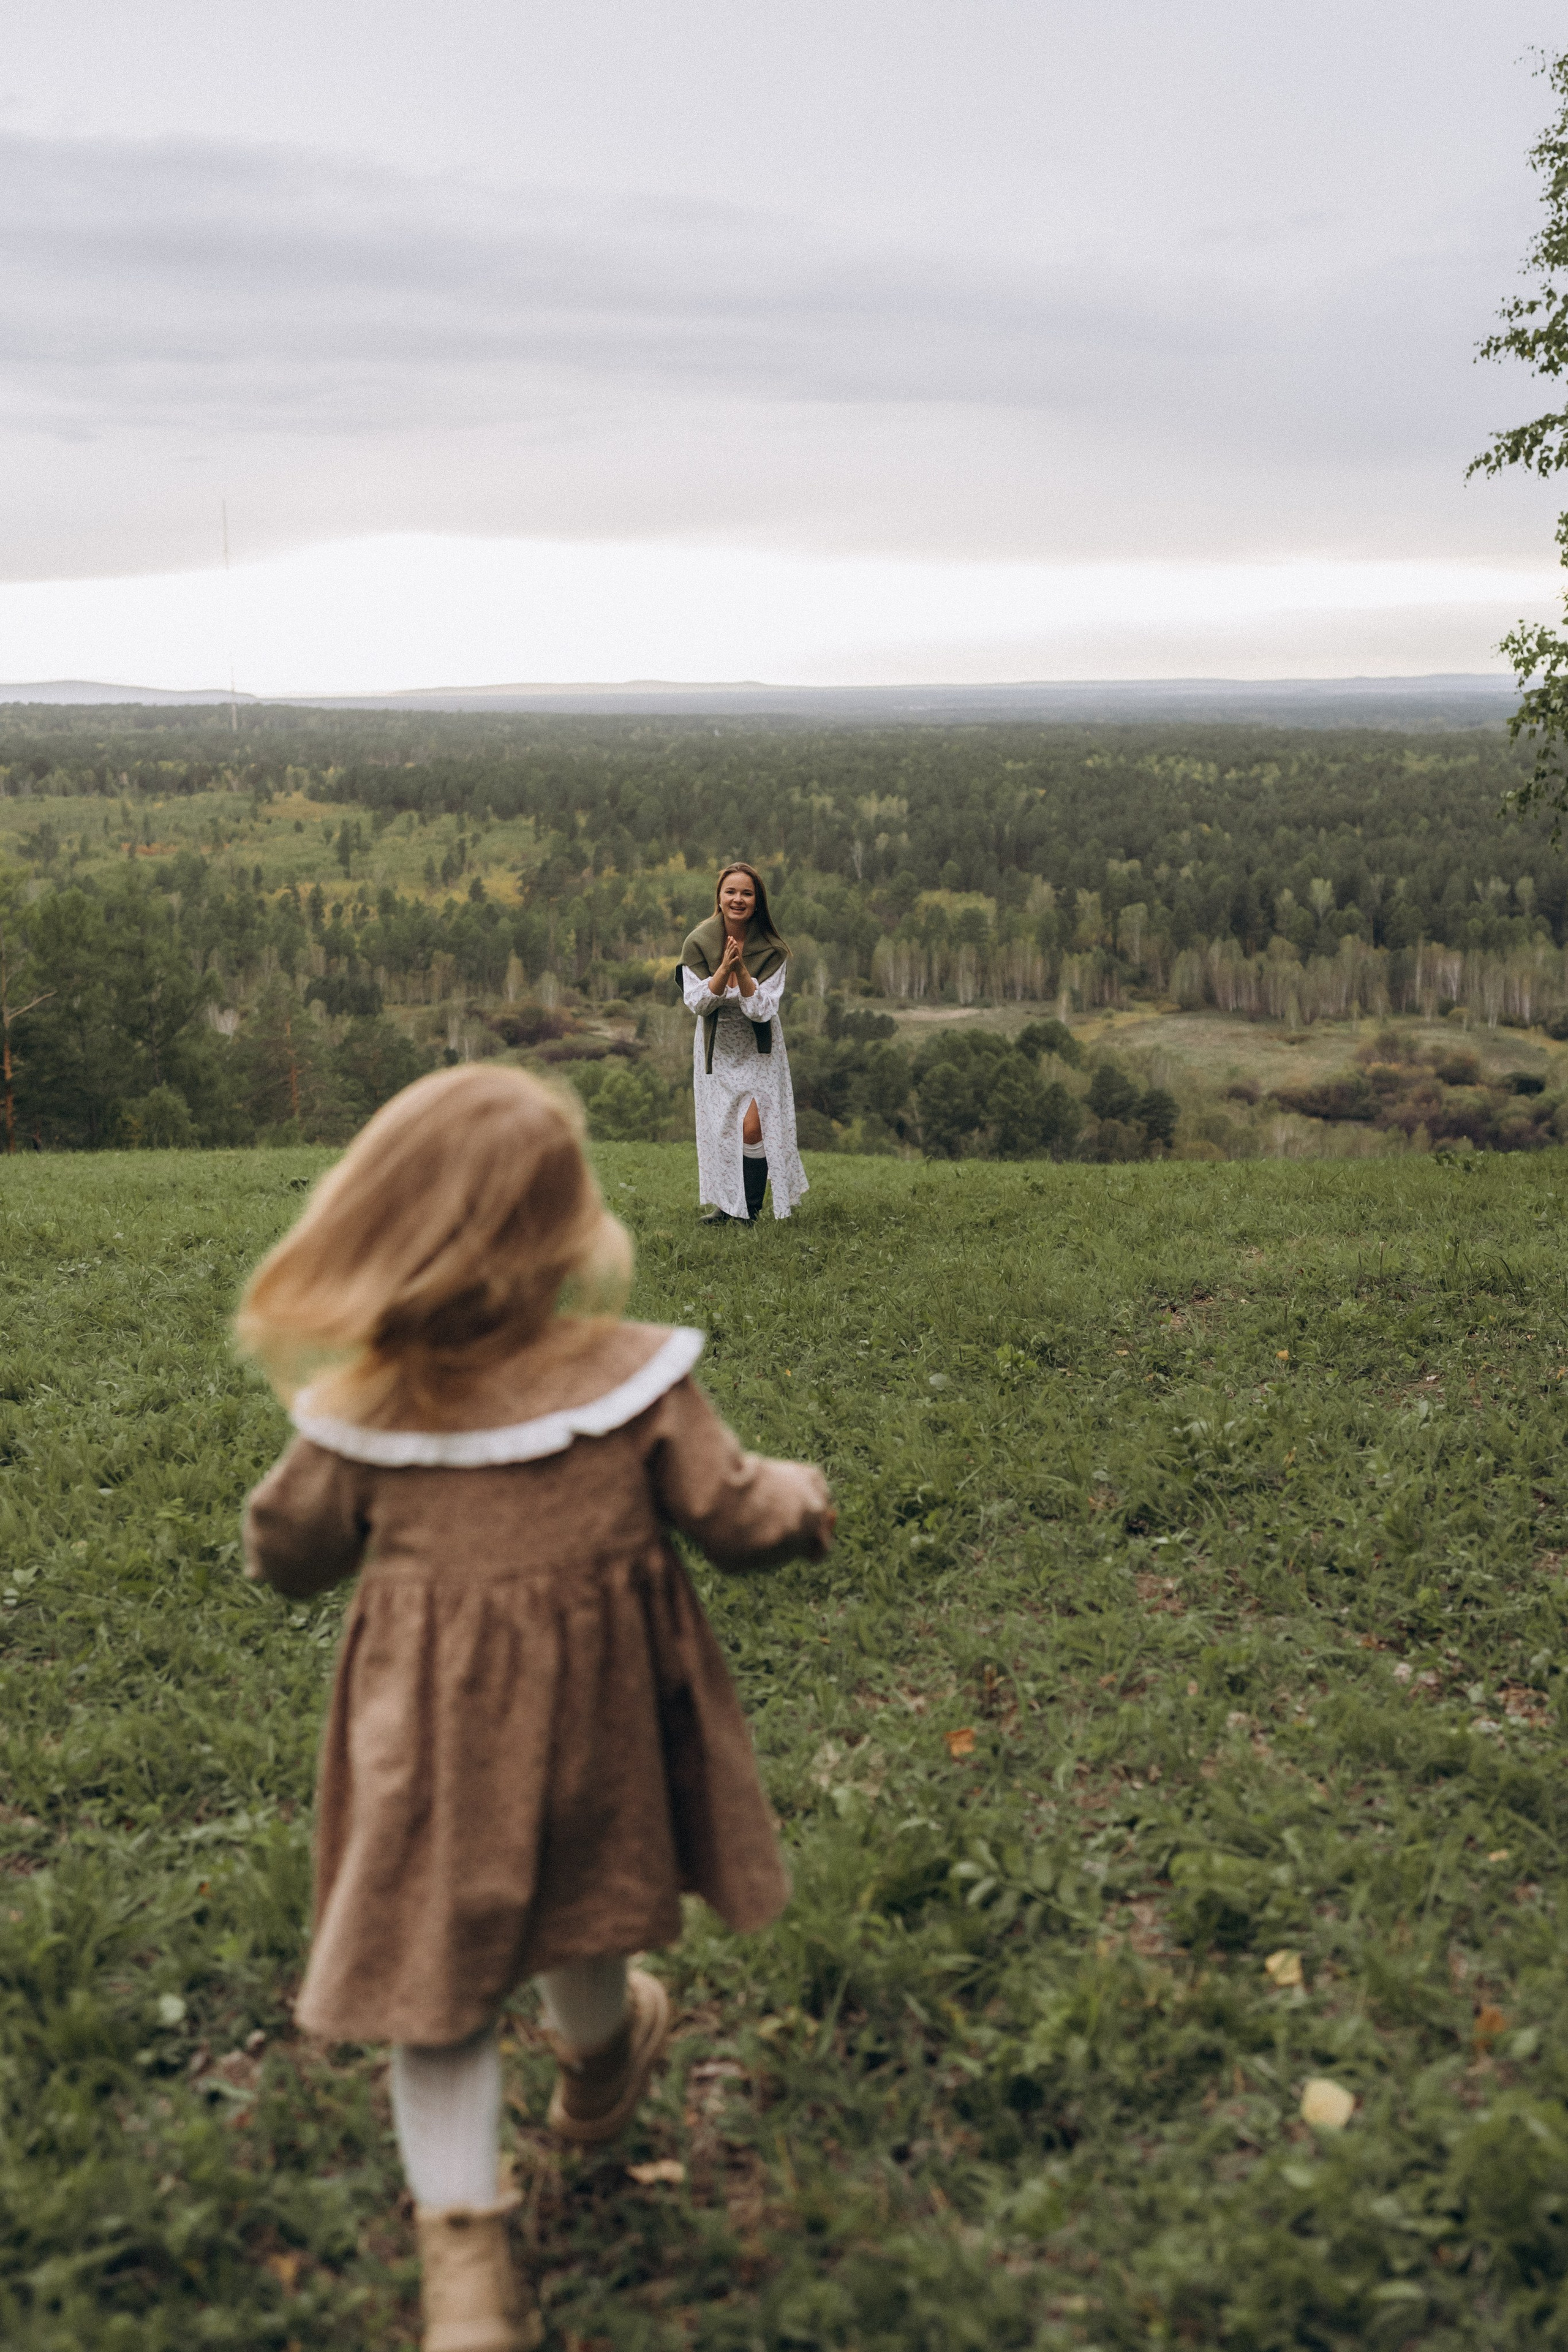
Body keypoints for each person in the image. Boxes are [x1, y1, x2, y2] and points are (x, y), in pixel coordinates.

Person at [235, 1065, 835, 2352]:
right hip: (598, 1737)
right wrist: (799, 1499)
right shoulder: (632, 1383)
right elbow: (734, 1516)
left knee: (437, 1990)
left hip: (432, 1759)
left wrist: (298, 1536)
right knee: (582, 1899)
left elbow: (286, 1550)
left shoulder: (362, 1417)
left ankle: (467, 2275)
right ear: (564, 1228)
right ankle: (603, 2059)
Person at [679, 861, 808, 1223]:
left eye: (746, 893)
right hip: (717, 1047)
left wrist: (743, 973)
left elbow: (764, 1009)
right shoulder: (698, 942)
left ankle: (748, 1212)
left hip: (759, 1047)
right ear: (719, 897)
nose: (738, 899)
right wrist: (723, 970)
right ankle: (728, 1208)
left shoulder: (772, 949)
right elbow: (698, 1003)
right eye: (731, 892)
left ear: (757, 900)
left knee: (754, 1126)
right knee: (723, 1127)